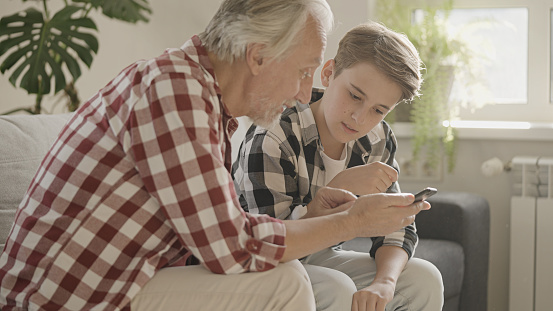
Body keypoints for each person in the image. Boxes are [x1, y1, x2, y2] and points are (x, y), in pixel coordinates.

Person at [0, 1, 430, 310]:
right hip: (63, 296)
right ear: (259, 56)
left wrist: (318, 211)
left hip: (124, 280)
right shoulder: (173, 92)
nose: (304, 91)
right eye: (303, 72)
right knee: (283, 283)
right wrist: (352, 221)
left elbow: (213, 238)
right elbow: (234, 246)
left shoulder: (201, 98)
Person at [232, 21, 444, 311]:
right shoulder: (274, 136)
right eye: (355, 96)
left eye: (379, 110)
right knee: (337, 288)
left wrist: (385, 283)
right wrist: (340, 186)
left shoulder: (377, 138)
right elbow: (269, 246)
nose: (359, 118)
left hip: (317, 257)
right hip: (256, 267)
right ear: (329, 73)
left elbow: (396, 229)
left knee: (424, 278)